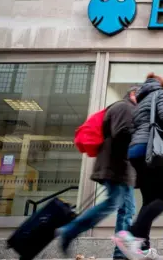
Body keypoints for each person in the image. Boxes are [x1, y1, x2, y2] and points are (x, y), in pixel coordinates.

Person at [56, 86, 139, 257]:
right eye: (142, 97)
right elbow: (122, 134)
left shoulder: (127, 109)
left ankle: (120, 254)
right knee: (114, 204)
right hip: (117, 167)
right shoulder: (125, 107)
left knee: (127, 210)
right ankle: (70, 230)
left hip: (121, 168)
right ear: (132, 94)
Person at [113, 73, 163, 260]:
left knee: (150, 201)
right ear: (161, 84)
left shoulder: (140, 101)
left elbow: (135, 128)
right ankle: (129, 235)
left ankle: (142, 248)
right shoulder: (161, 94)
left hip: (137, 152)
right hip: (154, 152)